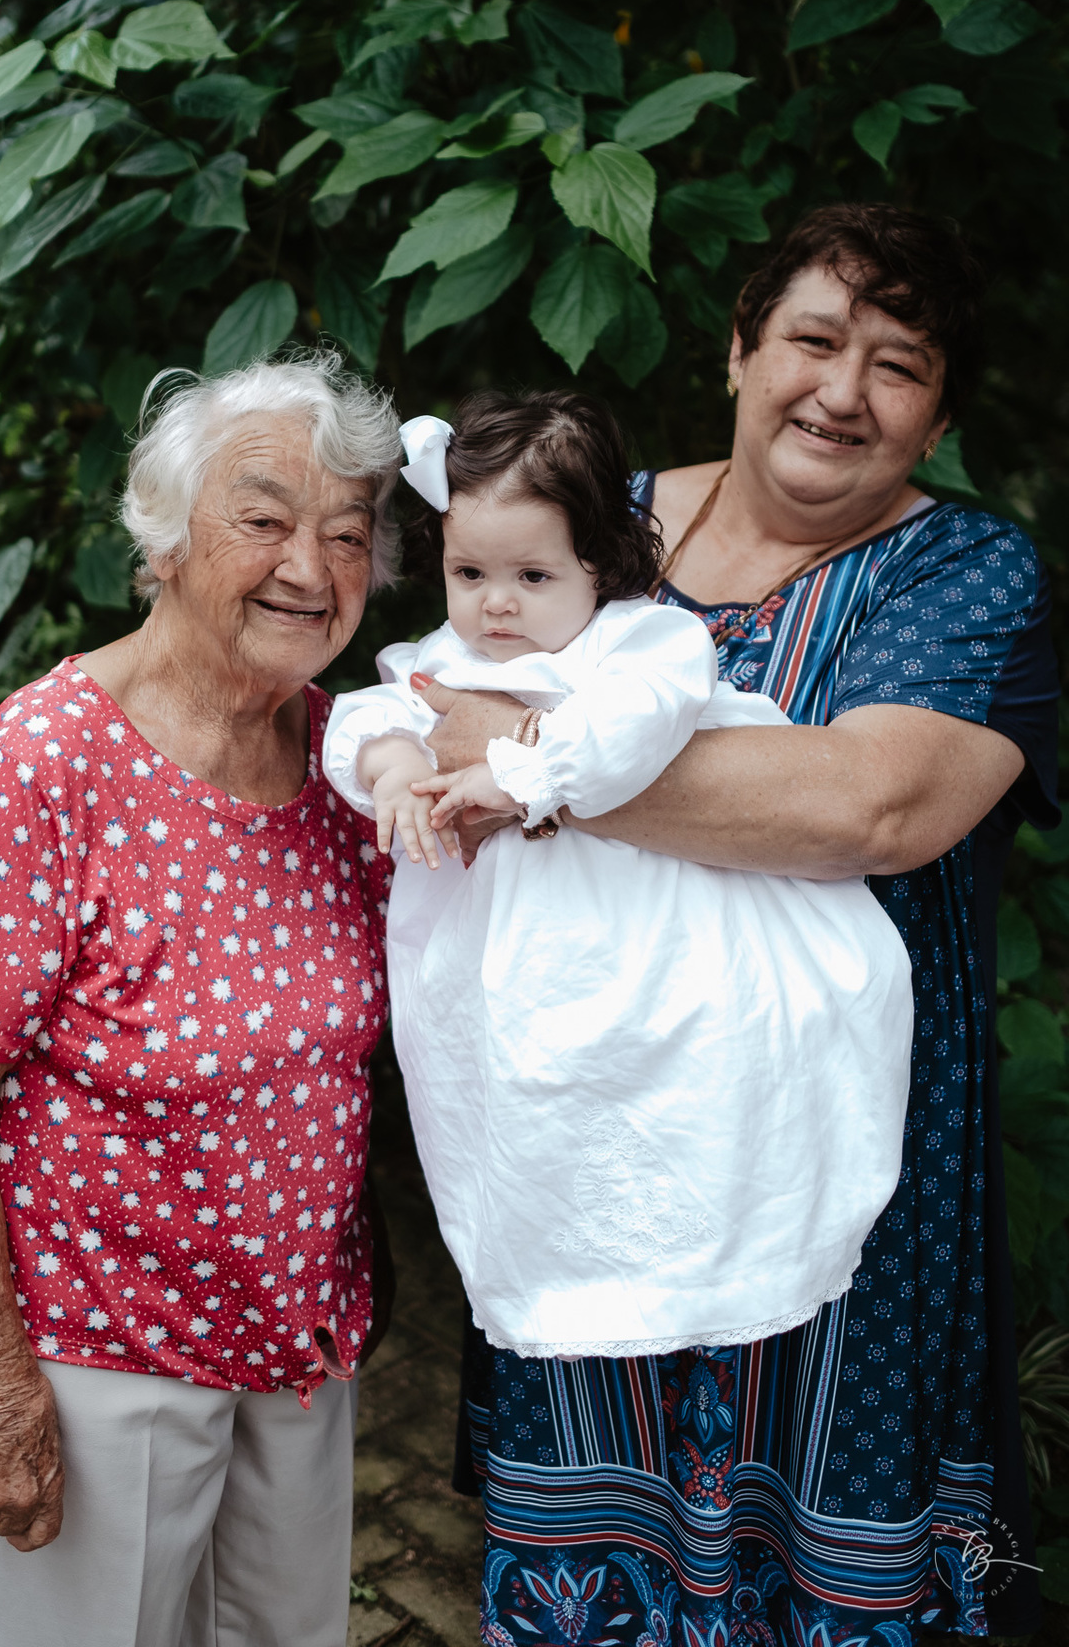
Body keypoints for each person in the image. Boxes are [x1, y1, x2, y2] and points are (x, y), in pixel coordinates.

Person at [417, 207, 1060, 1644]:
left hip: (851, 1156)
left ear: (940, 413)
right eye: (815, 340)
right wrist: (483, 735)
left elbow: (865, 808)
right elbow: (431, 698)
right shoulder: (595, 520)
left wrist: (529, 764)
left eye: (898, 365)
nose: (843, 390)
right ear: (736, 352)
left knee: (827, 1544)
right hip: (594, 1132)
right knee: (599, 1541)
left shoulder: (969, 574)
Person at [0, 349, 401, 1647]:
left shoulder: (352, 760)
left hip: (298, 1348)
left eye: (348, 532)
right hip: (93, 1360)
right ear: (163, 541)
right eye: (265, 519)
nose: (312, 566)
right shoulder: (45, 763)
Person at [322, 393, 914, 1365]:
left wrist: (519, 772)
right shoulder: (440, 659)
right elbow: (369, 715)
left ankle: (722, 1265)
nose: (496, 602)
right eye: (469, 572)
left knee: (689, 1079)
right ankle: (573, 1288)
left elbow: (633, 722)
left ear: (596, 562)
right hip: (518, 960)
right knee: (540, 1113)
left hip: (664, 927)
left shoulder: (639, 642)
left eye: (532, 574)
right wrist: (391, 765)